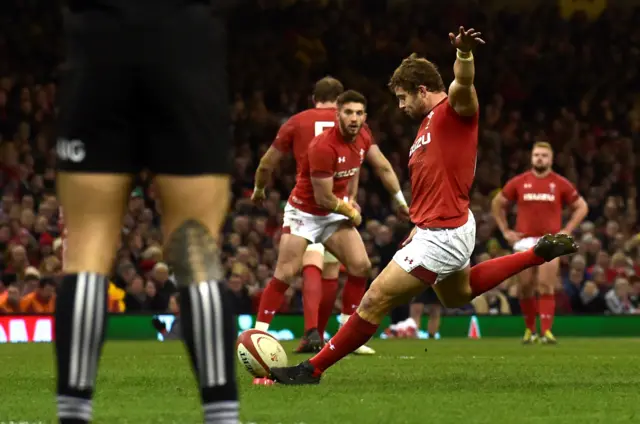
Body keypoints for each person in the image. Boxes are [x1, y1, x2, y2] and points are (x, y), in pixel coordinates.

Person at [270, 27, 578, 385]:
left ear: (421, 90)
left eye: (403, 97)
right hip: (440, 226)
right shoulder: (425, 128)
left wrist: (463, 54)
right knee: (456, 294)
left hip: (444, 231)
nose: (400, 106)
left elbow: (462, 86)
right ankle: (535, 255)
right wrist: (417, 222)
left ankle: (312, 369)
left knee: (373, 301)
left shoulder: (452, 110)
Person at [54, 1, 236, 423]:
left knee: (87, 247)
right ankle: (222, 415)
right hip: (185, 44)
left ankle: (73, 414)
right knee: (195, 247)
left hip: (98, 45)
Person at [253, 89, 408, 355]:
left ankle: (348, 329)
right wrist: (351, 211)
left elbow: (376, 167)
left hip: (334, 213)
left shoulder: (363, 138)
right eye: (348, 112)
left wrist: (400, 202)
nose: (354, 118)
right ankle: (258, 333)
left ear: (365, 117)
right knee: (286, 272)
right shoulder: (323, 146)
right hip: (305, 212)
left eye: (359, 113)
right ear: (337, 115)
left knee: (361, 266)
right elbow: (322, 197)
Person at [491, 142, 588, 344]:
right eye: (536, 155)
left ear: (551, 159)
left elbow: (581, 207)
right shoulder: (520, 181)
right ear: (531, 157)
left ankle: (546, 331)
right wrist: (505, 230)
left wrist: (567, 230)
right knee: (525, 287)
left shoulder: (559, 183)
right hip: (524, 240)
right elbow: (497, 203)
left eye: (544, 155)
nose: (540, 158)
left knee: (545, 285)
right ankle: (530, 330)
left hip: (549, 241)